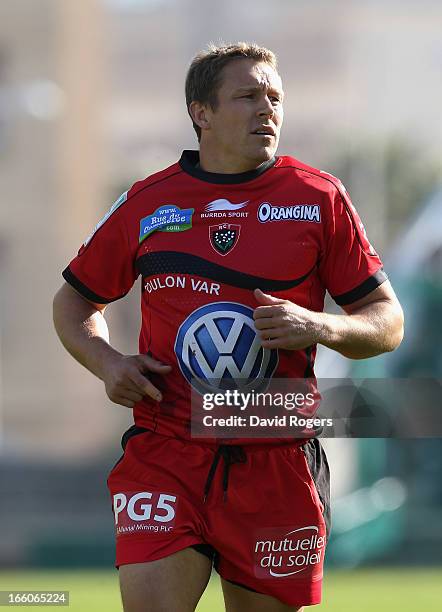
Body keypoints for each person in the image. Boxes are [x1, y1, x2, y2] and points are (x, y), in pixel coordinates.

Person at [53, 42, 404, 612]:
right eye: (248, 96)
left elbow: (387, 322)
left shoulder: (318, 198)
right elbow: (72, 302)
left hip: (277, 455)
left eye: (275, 97)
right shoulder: (148, 203)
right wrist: (108, 361)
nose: (267, 109)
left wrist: (319, 326)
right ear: (202, 113)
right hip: (168, 451)